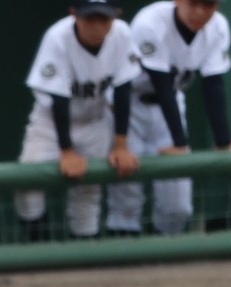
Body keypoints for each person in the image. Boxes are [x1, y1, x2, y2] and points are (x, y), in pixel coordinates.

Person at [14, 0, 141, 241]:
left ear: (116, 16)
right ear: (74, 14)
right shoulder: (57, 37)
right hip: (50, 124)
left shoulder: (122, 34)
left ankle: (85, 264)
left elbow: (123, 90)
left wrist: (121, 145)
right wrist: (67, 151)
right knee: (27, 184)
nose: (96, 26)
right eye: (89, 19)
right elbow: (59, 99)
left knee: (88, 193)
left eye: (103, 19)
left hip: (95, 120)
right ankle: (39, 255)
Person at [105, 0, 231, 236]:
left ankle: (162, 264)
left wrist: (223, 141)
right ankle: (122, 267)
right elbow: (160, 84)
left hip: (172, 105)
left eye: (208, 5)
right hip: (128, 107)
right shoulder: (150, 21)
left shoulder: (218, 26)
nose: (200, 12)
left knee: (178, 206)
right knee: (127, 198)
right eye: (193, 3)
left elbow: (213, 84)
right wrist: (180, 143)